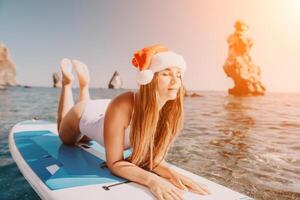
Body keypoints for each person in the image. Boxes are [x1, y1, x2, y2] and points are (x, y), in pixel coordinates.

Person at [57, 44, 210, 200]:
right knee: (67, 139)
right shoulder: (125, 103)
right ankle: (68, 84)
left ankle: (84, 86)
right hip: (84, 113)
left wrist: (173, 174)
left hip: (108, 113)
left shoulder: (169, 112)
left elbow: (152, 160)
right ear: (150, 79)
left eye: (178, 74)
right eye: (166, 74)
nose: (175, 81)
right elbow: (115, 163)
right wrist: (152, 181)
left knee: (84, 139)